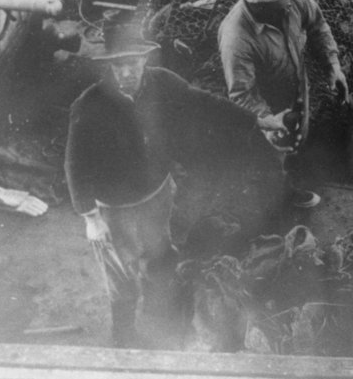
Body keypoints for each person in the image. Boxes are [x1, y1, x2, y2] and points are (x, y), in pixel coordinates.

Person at [65, 18, 285, 348]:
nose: (127, 72)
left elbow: (205, 102)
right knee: (120, 276)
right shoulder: (88, 105)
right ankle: (122, 337)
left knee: (159, 258)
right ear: (110, 66)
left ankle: (157, 321)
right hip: (114, 209)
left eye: (133, 63)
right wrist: (90, 218)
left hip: (157, 195)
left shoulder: (163, 83)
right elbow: (74, 164)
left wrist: (258, 119)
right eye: (119, 65)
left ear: (143, 61)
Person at [217, 0, 349, 208]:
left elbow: (318, 24)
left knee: (299, 131)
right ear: (261, 9)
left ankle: (296, 162)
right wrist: (269, 121)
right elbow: (242, 94)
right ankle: (279, 197)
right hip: (265, 100)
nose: (290, 6)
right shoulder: (236, 39)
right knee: (268, 153)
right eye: (282, 8)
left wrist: (334, 66)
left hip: (295, 82)